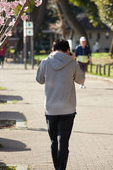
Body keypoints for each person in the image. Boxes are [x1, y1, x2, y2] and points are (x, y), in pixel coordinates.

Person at [36, 39, 85, 170]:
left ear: (53, 50)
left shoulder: (45, 62)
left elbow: (39, 80)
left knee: (54, 142)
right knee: (63, 142)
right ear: (68, 51)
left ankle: (56, 167)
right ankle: (61, 168)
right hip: (68, 109)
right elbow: (81, 80)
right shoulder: (72, 62)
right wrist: (74, 60)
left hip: (51, 109)